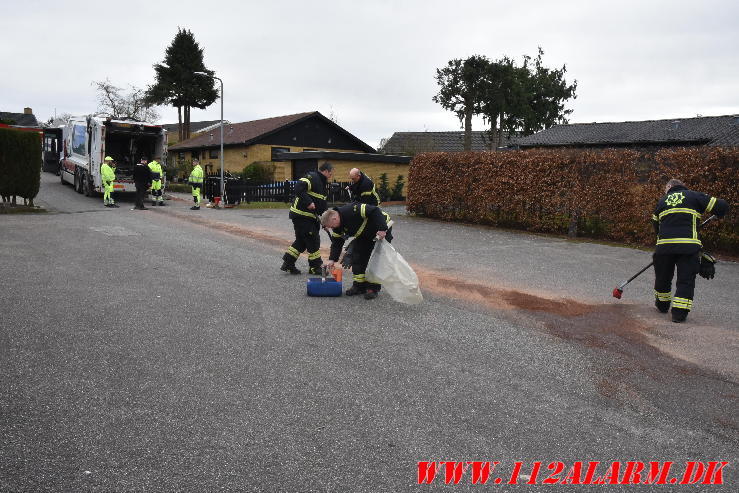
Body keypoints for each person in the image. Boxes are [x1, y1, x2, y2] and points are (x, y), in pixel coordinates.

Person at [652, 178, 728, 323]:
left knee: (663, 278)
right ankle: (679, 314)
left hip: (664, 246)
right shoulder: (694, 196)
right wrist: (720, 212)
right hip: (688, 246)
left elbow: (656, 225)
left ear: (669, 187)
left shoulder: (662, 201)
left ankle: (662, 305)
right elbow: (721, 205)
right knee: (685, 280)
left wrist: (664, 241)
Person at [321, 203, 392, 300]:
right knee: (358, 256)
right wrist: (332, 259)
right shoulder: (337, 227)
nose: (332, 228)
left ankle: (372, 288)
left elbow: (374, 210)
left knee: (376, 259)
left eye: (331, 226)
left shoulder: (352, 210)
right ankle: (359, 286)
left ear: (334, 219)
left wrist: (382, 229)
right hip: (364, 233)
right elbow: (337, 243)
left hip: (380, 228)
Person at [280, 162, 333, 275]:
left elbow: (322, 205)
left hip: (309, 217)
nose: (331, 176)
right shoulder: (312, 177)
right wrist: (308, 202)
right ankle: (315, 267)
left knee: (301, 241)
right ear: (326, 171)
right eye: (330, 173)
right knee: (313, 239)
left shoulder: (322, 184)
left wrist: (325, 222)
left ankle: (288, 263)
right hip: (302, 215)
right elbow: (298, 187)